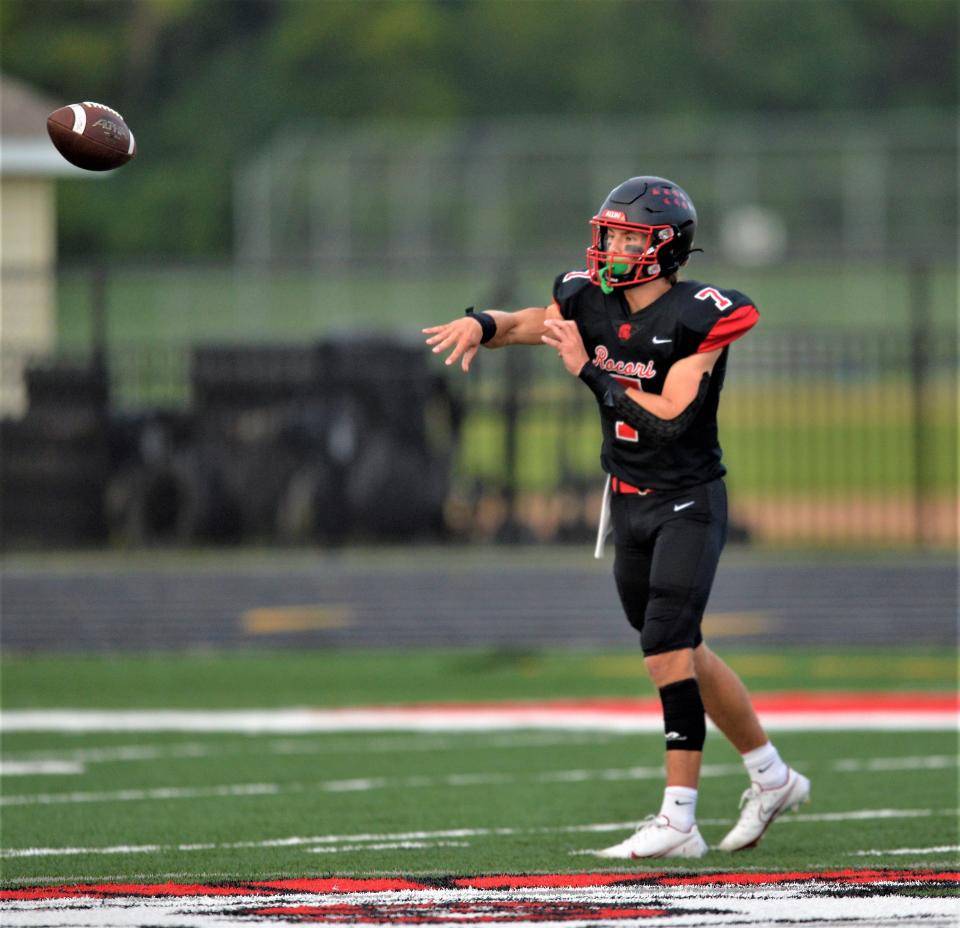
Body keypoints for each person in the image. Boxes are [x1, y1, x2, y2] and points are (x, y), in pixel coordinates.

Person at [423, 176, 810, 859]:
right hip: (626, 499)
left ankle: (679, 817)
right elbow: (527, 324)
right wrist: (482, 326)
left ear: (664, 247)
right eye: (610, 233)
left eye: (628, 236)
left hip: (687, 499)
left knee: (665, 642)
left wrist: (592, 375)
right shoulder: (586, 297)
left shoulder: (702, 317)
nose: (610, 247)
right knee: (679, 646)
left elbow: (670, 420)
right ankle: (771, 776)